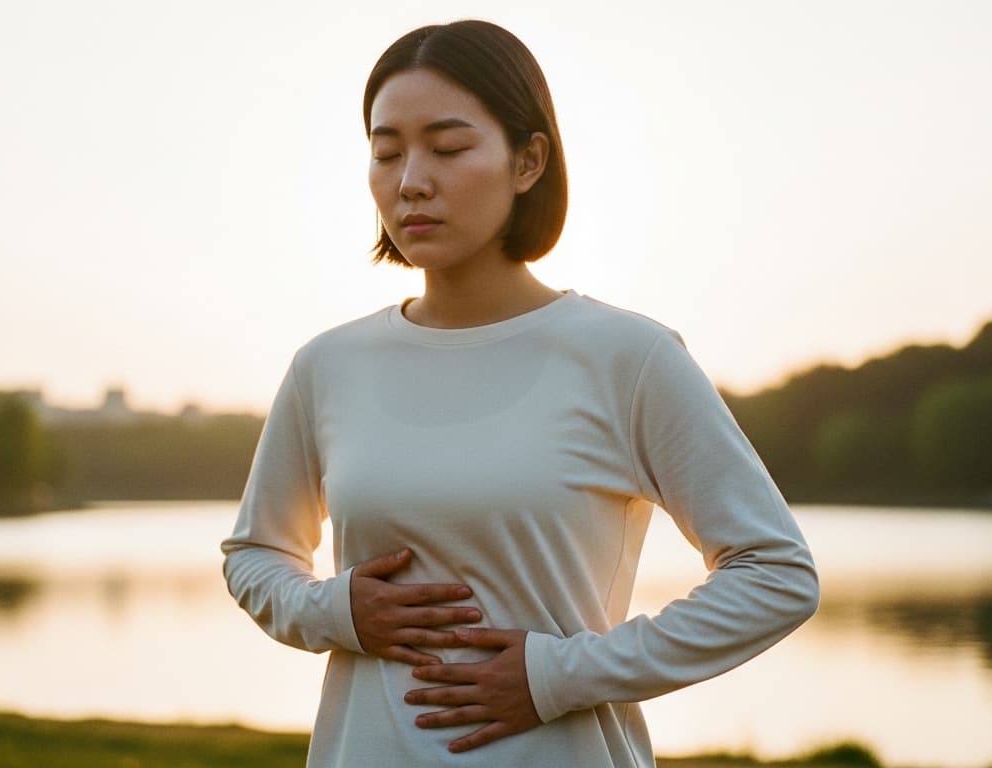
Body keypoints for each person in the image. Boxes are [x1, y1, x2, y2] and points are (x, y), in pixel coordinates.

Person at [220, 19, 819, 767]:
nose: (410, 181)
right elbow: (255, 554)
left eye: (447, 148)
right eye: (387, 152)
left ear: (528, 161)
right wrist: (334, 610)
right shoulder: (328, 365)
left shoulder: (628, 357)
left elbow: (774, 573)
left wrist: (559, 675)